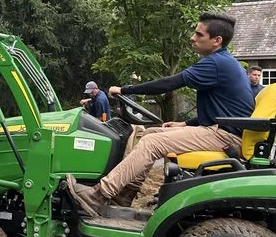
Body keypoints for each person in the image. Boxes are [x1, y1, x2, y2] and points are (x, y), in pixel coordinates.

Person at [66, 12, 254, 216]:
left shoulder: (216, 63)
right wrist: (185, 124)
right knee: (149, 134)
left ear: (216, 41)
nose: (192, 38)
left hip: (224, 137)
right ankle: (124, 195)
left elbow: (169, 83)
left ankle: (98, 195)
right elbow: (224, 109)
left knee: (152, 143)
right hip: (219, 130)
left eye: (199, 34)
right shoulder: (223, 62)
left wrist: (125, 90)